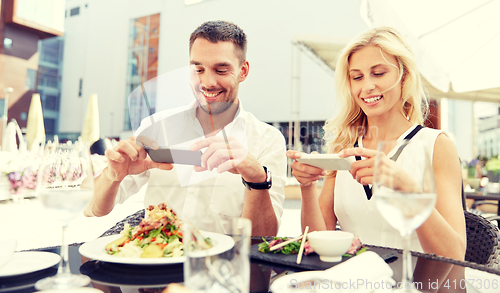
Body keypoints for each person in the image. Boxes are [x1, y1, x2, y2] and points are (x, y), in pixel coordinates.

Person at [85, 20, 286, 236]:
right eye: (198, 69)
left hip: (221, 267)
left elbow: (264, 238)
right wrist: (112, 176)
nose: (207, 82)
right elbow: (94, 210)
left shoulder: (267, 140)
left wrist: (256, 178)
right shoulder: (155, 128)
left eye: (221, 70)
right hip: (157, 262)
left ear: (243, 71)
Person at [286, 26, 466, 260]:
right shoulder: (343, 147)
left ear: (404, 76)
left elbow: (454, 253)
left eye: (379, 73)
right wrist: (307, 186)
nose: (367, 86)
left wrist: (407, 188)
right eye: (357, 77)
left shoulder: (436, 145)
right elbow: (318, 241)